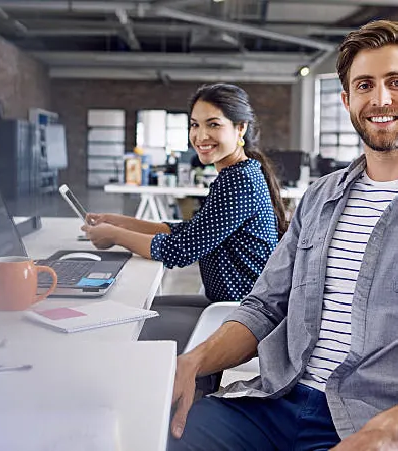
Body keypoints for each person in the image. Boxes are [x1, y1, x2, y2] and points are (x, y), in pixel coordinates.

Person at [167, 20, 398, 450]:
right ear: (347, 100)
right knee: (160, 434)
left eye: (397, 82)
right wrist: (193, 361)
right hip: (275, 401)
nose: (380, 99)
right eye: (364, 85)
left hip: (377, 419)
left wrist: (397, 429)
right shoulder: (320, 197)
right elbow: (264, 307)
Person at [82, 84, 287, 352]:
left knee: (125, 326)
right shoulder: (237, 173)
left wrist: (114, 235)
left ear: (240, 128)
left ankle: (193, 377)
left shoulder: (239, 181)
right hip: (226, 304)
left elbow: (180, 251)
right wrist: (119, 221)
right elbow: (191, 231)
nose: (200, 136)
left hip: (237, 315)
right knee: (139, 310)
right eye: (194, 125)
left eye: (213, 124)